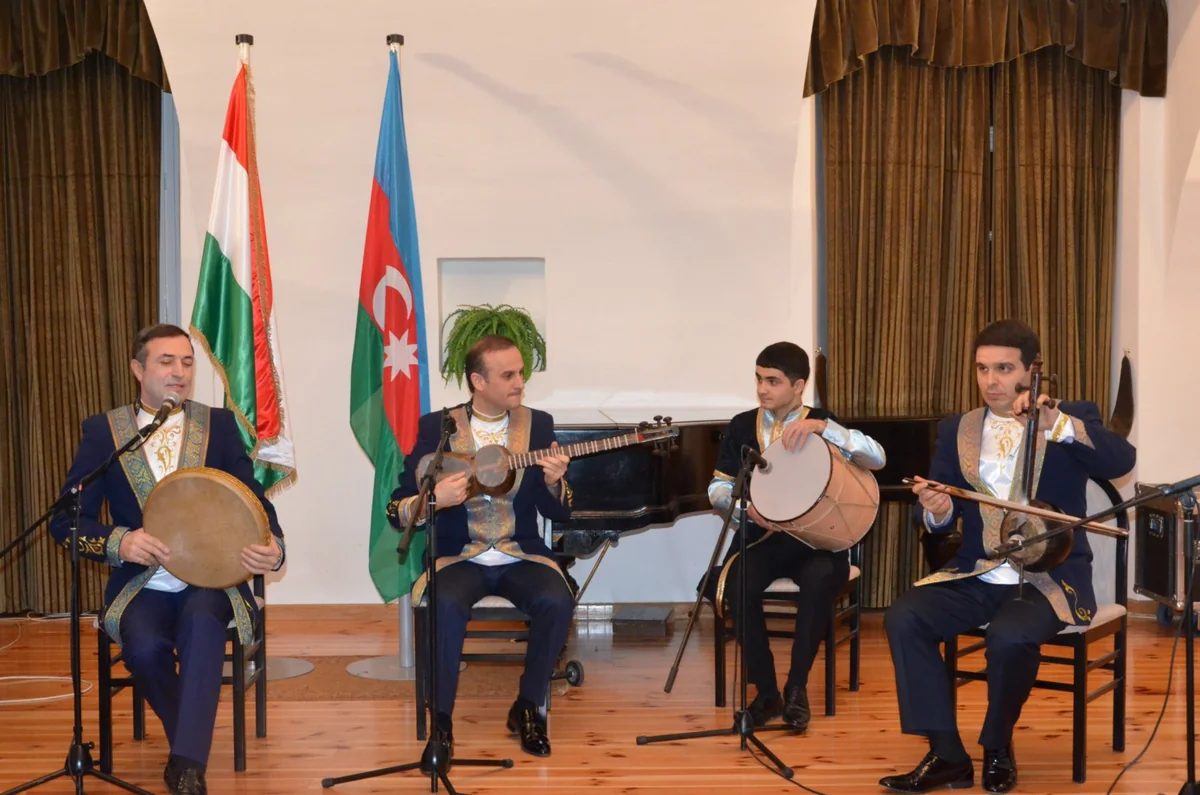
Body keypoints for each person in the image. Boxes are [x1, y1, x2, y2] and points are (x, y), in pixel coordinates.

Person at [879, 319, 1136, 794]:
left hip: (1049, 577)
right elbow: (939, 512)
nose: (990, 380)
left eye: (1003, 368)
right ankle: (947, 755)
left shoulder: (1070, 416)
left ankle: (997, 745)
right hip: (978, 570)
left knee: (1010, 636)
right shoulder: (957, 429)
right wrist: (936, 509)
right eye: (982, 368)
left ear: (1031, 371)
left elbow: (1121, 461)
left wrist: (1058, 425)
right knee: (904, 618)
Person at [49, 324, 285, 795]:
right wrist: (119, 542)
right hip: (142, 582)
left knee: (202, 627)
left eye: (187, 362)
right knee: (143, 650)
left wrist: (274, 546)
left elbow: (254, 502)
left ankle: (188, 769)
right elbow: (66, 520)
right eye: (166, 361)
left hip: (211, 579)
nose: (179, 372)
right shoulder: (104, 432)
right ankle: (188, 742)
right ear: (138, 370)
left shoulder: (217, 425)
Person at [389, 335, 575, 760]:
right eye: (508, 375)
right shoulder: (438, 428)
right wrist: (435, 500)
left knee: (557, 598)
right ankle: (441, 723)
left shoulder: (538, 425)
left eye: (521, 373)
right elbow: (398, 507)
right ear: (478, 381)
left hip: (520, 552)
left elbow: (557, 511)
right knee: (443, 604)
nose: (519, 382)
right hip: (458, 556)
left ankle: (527, 707)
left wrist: (553, 481)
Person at [704, 342, 886, 731]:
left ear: (798, 385)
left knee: (819, 579)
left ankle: (796, 687)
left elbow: (877, 457)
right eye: (758, 379)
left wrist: (824, 429)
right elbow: (717, 487)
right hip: (763, 538)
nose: (762, 389)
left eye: (772, 381)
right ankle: (767, 693)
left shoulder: (822, 421)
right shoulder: (742, 426)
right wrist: (745, 509)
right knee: (737, 583)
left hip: (817, 542)